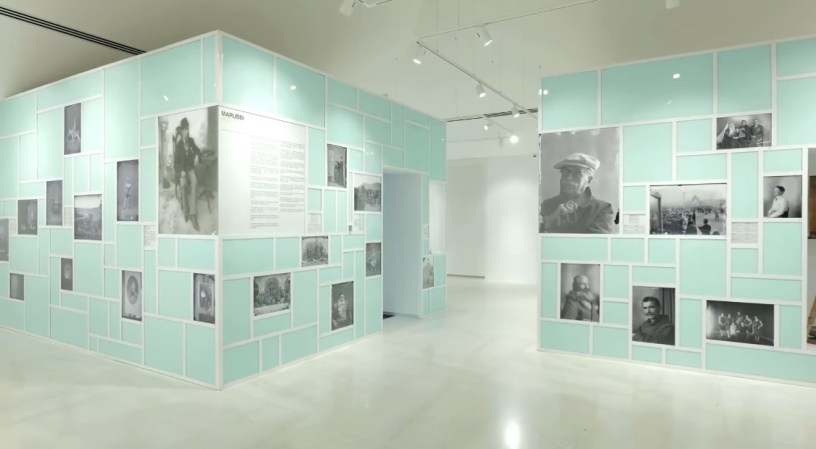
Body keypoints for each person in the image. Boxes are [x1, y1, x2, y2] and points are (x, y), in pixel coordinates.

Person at [539, 153, 614, 234]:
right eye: (565, 173)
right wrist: (549, 221)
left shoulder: (601, 209)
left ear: (589, 180)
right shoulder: (546, 205)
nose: (568, 178)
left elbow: (596, 241)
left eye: (576, 174)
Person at [173, 118, 202, 231]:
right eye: (185, 129)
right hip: (182, 171)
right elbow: (175, 164)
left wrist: (198, 156)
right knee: (183, 184)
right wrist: (181, 171)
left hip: (190, 168)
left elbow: (198, 150)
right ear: (182, 131)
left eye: (188, 129)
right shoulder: (178, 145)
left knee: (195, 181)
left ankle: (193, 214)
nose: (187, 131)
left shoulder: (191, 141)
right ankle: (186, 209)